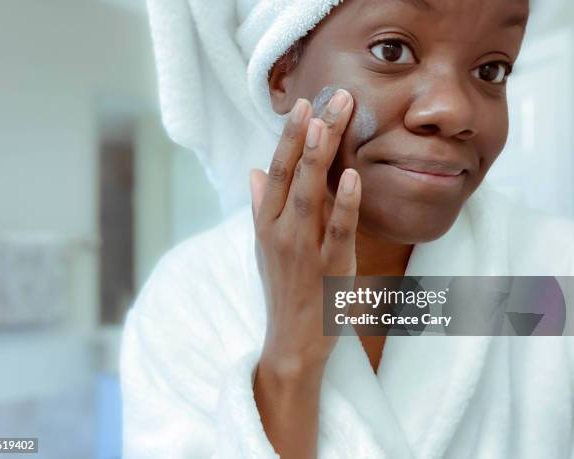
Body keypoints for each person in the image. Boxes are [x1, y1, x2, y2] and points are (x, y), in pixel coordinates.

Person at [121, 0, 574, 457]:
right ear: (280, 72)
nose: (455, 111)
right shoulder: (191, 301)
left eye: (491, 70)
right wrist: (291, 358)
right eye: (392, 51)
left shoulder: (554, 276)